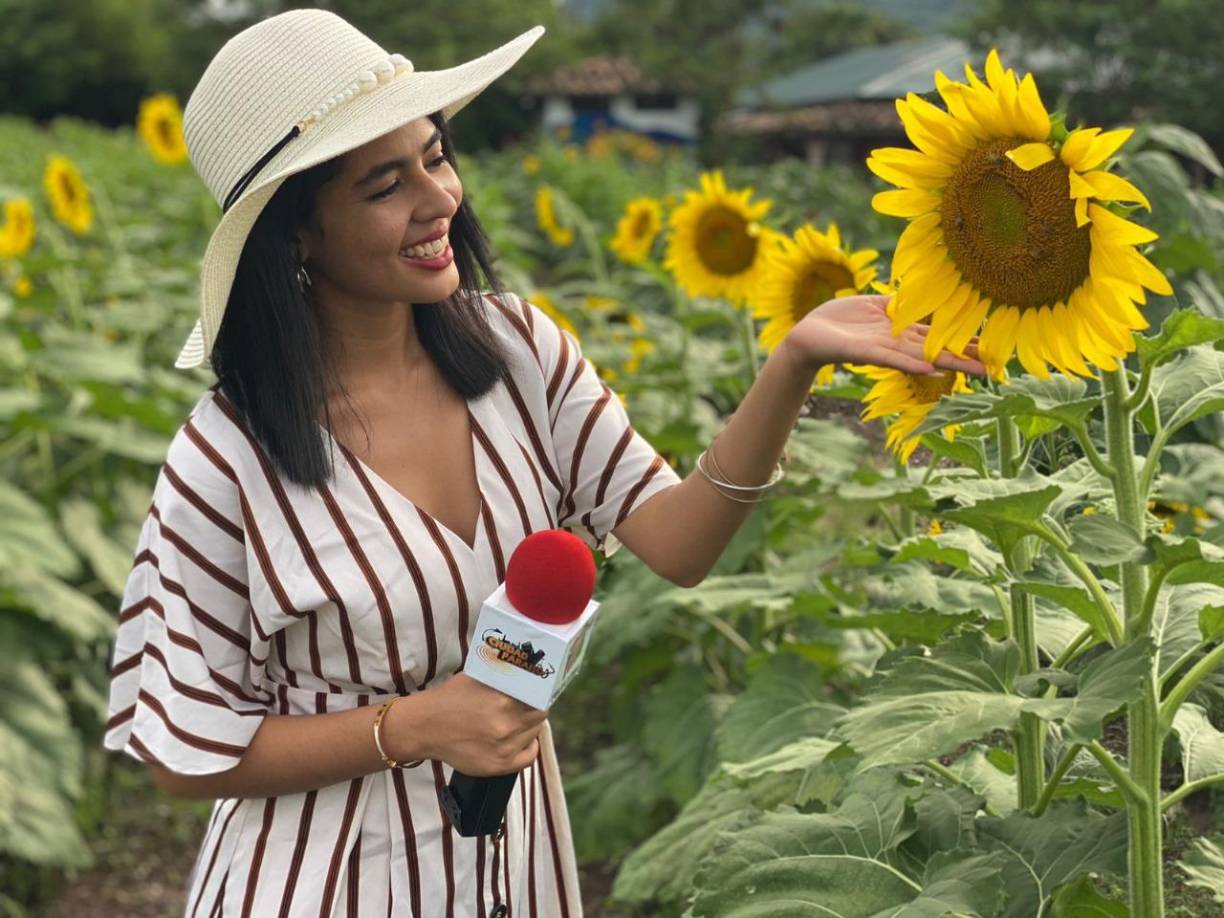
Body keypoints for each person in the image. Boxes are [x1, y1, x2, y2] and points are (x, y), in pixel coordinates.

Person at [101, 8, 989, 918]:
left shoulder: (520, 352)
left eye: (436, 155)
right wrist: (409, 727)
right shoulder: (227, 456)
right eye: (382, 185)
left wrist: (791, 365)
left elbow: (678, 545)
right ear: (297, 233)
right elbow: (183, 755)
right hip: (320, 881)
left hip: (512, 869)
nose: (439, 197)